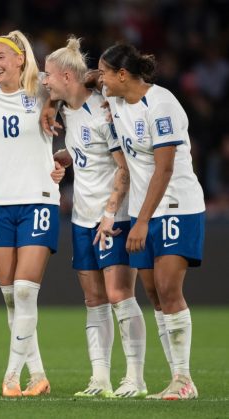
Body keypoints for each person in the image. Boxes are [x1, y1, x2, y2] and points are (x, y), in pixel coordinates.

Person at [98, 43, 205, 400]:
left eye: (105, 73)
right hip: (143, 211)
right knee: (154, 294)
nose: (101, 80)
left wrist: (141, 221)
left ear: (122, 75)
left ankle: (184, 379)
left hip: (175, 206)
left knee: (168, 288)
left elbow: (165, 168)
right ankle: (177, 378)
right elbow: (85, 80)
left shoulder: (161, 105)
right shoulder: (115, 98)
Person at [42, 37, 147, 398]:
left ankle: (134, 377)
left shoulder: (104, 110)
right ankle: (99, 378)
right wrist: (66, 158)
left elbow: (124, 168)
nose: (45, 81)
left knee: (120, 294)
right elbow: (88, 152)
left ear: (67, 77)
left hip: (114, 217)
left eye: (49, 75)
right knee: (93, 299)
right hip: (82, 217)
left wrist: (109, 213)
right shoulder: (67, 111)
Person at [0, 30, 61, 397]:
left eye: (0, 57)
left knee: (26, 291)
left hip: (38, 199)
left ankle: (11, 376)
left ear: (19, 59)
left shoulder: (44, 87)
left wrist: (53, 103)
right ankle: (38, 375)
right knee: (12, 296)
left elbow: (86, 80)